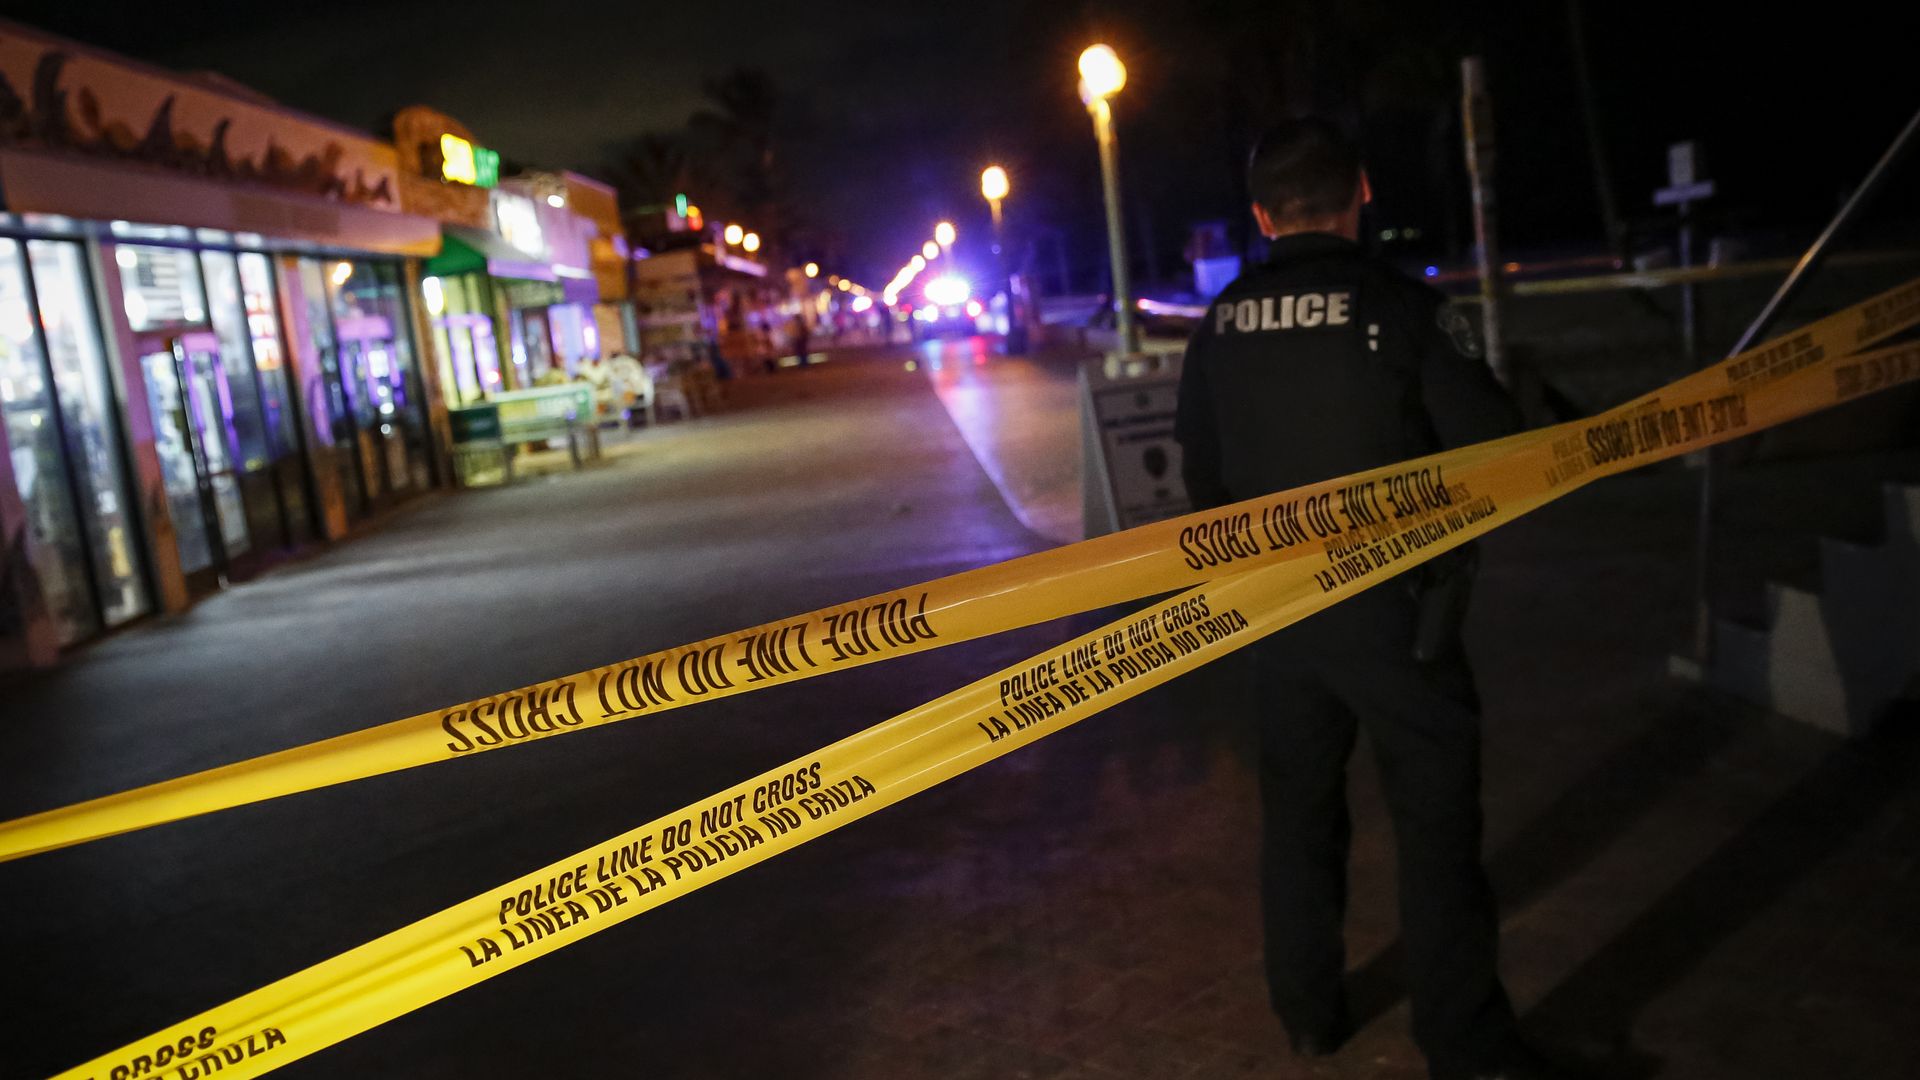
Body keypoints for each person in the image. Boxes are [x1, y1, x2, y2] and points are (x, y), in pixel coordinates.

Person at [1174, 119, 1564, 1080]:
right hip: (1399, 616)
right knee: (1435, 823)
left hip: (1274, 611)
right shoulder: (1402, 308)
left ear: (1262, 216)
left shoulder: (1220, 323)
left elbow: (1203, 480)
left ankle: (1307, 1012)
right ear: (1363, 194)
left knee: (1297, 814)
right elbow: (1495, 449)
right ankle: (1463, 1042)